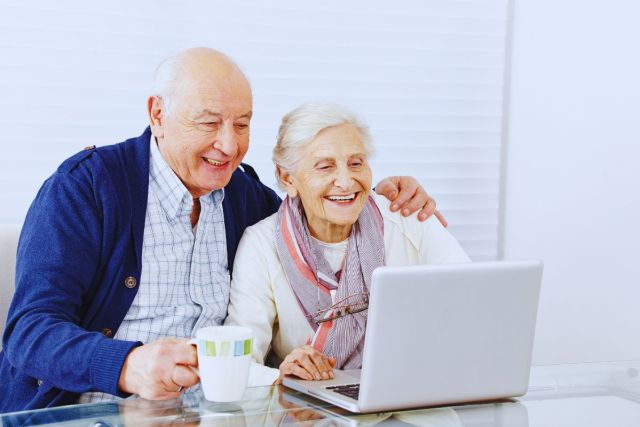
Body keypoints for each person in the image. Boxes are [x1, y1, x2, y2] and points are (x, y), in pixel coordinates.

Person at [0, 48, 441, 411]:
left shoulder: (245, 197)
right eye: (209, 123)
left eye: (243, 124)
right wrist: (125, 364)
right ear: (158, 115)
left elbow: (313, 210)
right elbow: (28, 331)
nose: (228, 145)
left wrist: (383, 194)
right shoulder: (86, 188)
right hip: (93, 411)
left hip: (216, 415)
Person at [225, 103, 470, 383]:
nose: (345, 181)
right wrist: (282, 375)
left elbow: (474, 306)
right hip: (309, 410)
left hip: (414, 388)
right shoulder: (260, 245)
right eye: (325, 166)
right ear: (287, 177)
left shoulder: (410, 217)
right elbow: (237, 362)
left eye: (356, 163)